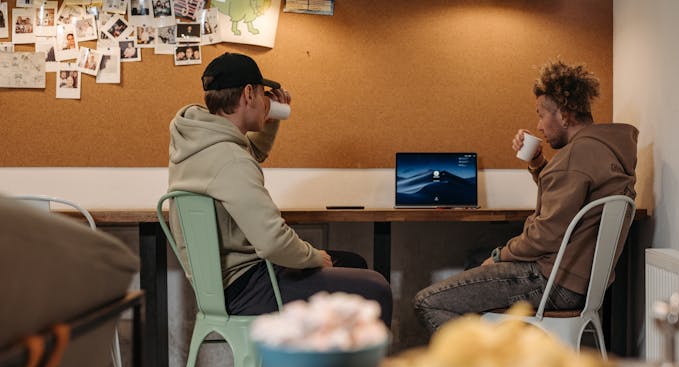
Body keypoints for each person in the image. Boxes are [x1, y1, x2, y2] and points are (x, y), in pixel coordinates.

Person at [413, 59, 637, 334]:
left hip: (553, 282)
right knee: (475, 262)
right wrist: (538, 162)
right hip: (581, 282)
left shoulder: (576, 156)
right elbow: (566, 198)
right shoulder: (604, 151)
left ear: (564, 115)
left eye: (542, 114)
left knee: (428, 301)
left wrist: (498, 257)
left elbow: (545, 234)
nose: (539, 126)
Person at [167, 53, 393, 325]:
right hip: (247, 286)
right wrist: (313, 257)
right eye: (264, 94)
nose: (267, 102)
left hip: (219, 284)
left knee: (351, 261)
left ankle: (324, 361)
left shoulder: (200, 142)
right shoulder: (231, 160)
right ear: (249, 94)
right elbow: (273, 242)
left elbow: (249, 154)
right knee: (375, 287)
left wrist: (267, 123)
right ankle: (357, 366)